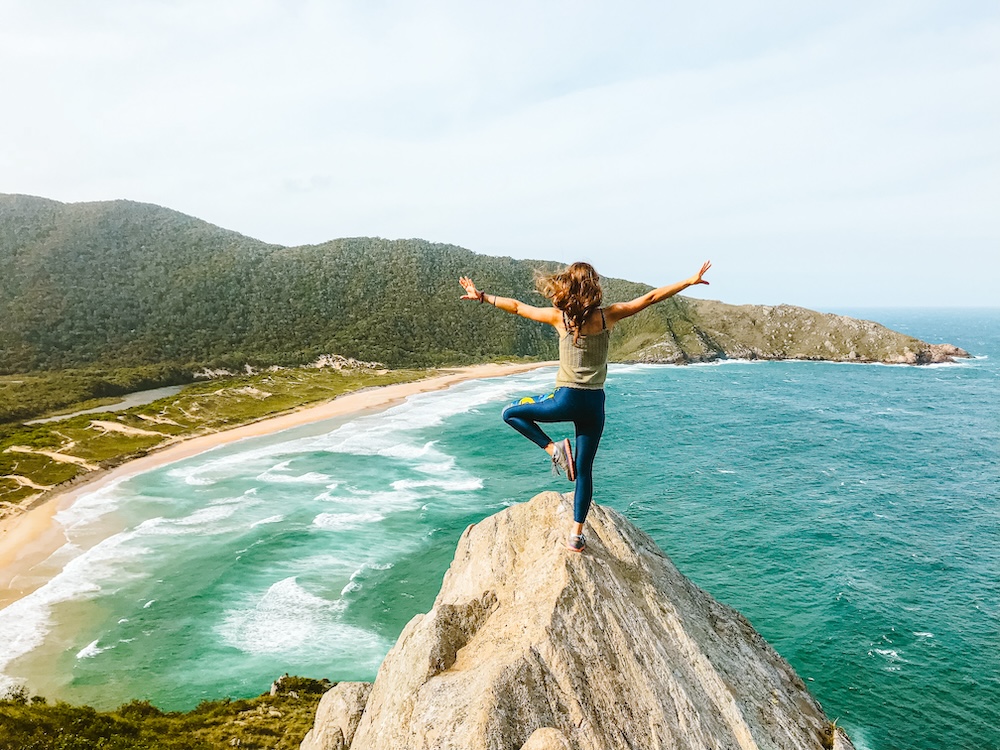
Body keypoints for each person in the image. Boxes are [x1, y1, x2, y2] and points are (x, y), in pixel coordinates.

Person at [459, 260, 711, 552]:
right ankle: (576, 536)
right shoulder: (608, 317)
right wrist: (689, 281)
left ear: (568, 286)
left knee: (511, 413)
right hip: (594, 404)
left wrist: (483, 297)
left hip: (565, 400)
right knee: (585, 469)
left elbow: (517, 307)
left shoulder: (559, 318)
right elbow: (651, 297)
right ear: (593, 287)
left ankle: (555, 451)